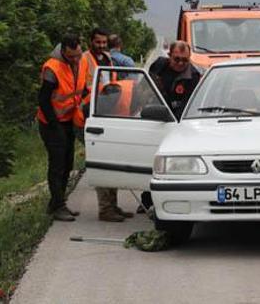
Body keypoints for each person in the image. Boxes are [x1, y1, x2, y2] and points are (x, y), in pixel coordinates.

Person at [140, 41, 202, 213]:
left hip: (178, 125)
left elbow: (191, 106)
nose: (181, 64)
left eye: (185, 60)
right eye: (177, 59)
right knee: (150, 162)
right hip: (155, 120)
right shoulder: (158, 66)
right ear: (169, 56)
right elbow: (144, 89)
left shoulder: (194, 77)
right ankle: (146, 200)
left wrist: (177, 124)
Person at [83, 28, 134, 222]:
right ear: (91, 42)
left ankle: (112, 205)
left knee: (112, 161)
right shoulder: (85, 60)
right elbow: (84, 88)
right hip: (93, 116)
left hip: (108, 114)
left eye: (104, 42)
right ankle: (105, 209)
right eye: (98, 42)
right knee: (103, 162)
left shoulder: (107, 59)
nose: (102, 46)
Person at [36, 33, 87, 222]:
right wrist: (54, 125)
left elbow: (82, 89)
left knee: (67, 163)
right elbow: (43, 100)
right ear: (63, 51)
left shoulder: (81, 62)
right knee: (57, 164)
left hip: (69, 121)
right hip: (51, 123)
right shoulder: (52, 67)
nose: (75, 59)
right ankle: (58, 206)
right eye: (71, 56)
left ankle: (57, 203)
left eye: (78, 55)